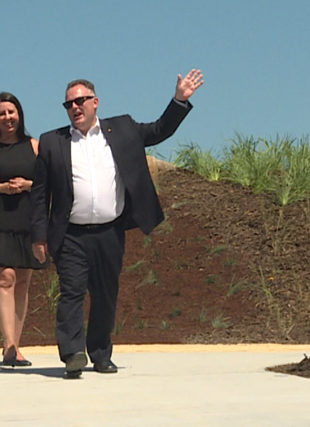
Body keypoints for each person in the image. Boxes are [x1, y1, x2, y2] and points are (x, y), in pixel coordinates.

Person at [31, 71, 205, 378]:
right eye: (69, 103)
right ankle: (72, 353)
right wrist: (39, 236)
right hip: (70, 234)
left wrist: (179, 100)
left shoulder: (122, 128)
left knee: (105, 294)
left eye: (81, 101)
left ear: (95, 103)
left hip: (109, 231)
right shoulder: (51, 142)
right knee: (71, 292)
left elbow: (160, 130)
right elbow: (39, 193)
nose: (75, 107)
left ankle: (100, 353)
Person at [0, 92, 47, 368]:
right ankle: (9, 345)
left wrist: (27, 185)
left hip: (27, 220)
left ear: (20, 114)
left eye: (11, 112)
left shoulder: (35, 146)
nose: (7, 118)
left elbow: (45, 183)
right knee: (5, 278)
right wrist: (1, 188)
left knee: (23, 282)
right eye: (2, 113)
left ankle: (18, 344)